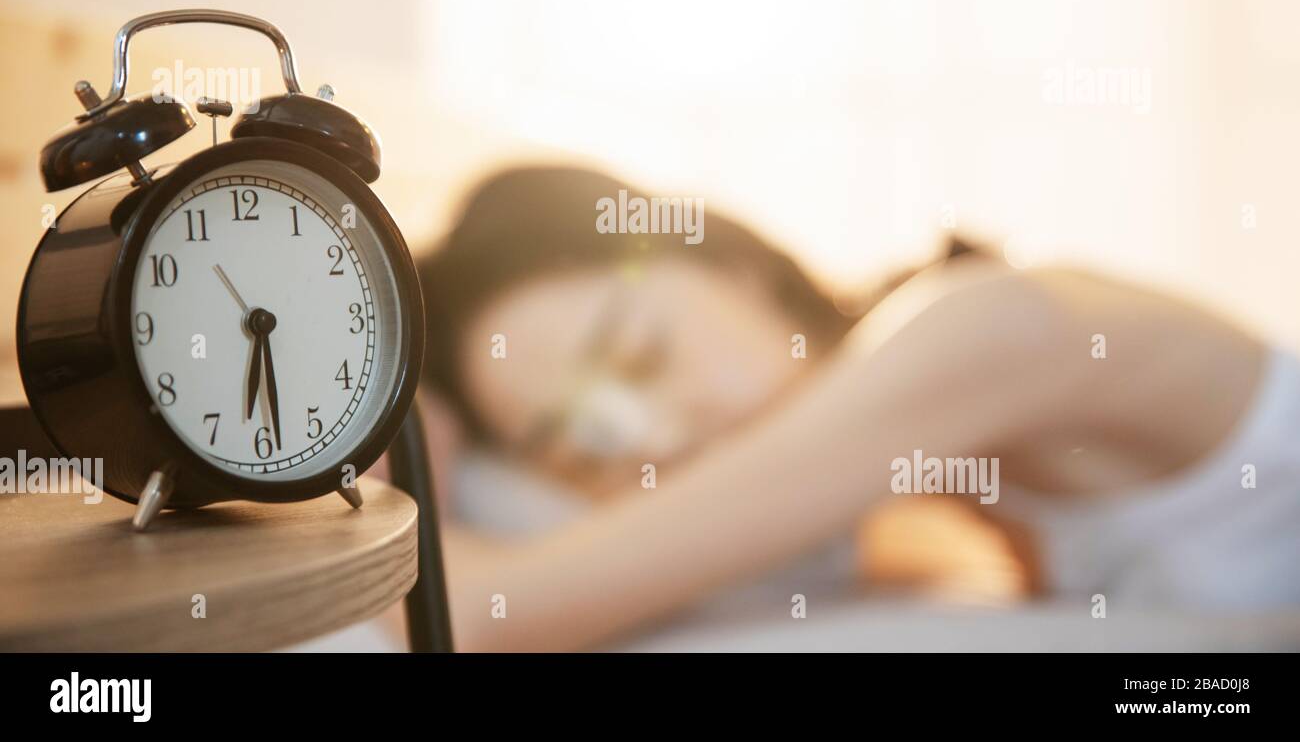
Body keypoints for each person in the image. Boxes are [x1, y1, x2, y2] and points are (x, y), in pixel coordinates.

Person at [414, 166, 1298, 652]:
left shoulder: (981, 326)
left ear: (727, 264)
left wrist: (399, 456)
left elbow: (479, 612)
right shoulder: (924, 508)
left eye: (641, 354)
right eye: (581, 444)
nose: (651, 435)